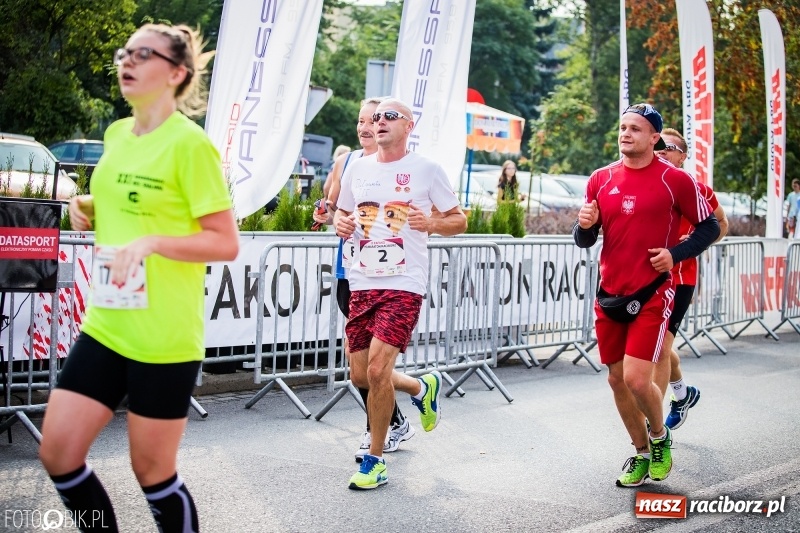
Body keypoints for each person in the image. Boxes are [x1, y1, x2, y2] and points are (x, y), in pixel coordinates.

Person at [39, 23, 239, 532]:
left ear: (176, 73)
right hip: (108, 324)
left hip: (164, 338)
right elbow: (130, 202)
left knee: (152, 472)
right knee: (58, 452)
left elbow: (224, 241)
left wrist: (151, 244)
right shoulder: (116, 134)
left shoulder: (190, 146)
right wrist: (88, 207)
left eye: (143, 53)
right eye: (125, 51)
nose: (127, 60)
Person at [573, 103, 719, 488]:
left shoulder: (676, 180)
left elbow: (710, 227)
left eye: (635, 129)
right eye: (622, 127)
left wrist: (675, 254)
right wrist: (583, 227)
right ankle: (639, 452)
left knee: (638, 379)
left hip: (655, 292)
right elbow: (585, 239)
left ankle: (659, 438)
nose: (626, 134)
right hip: (609, 295)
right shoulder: (601, 178)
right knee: (617, 380)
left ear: (654, 137)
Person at [334, 98, 467, 489]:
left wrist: (432, 223)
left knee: (377, 370)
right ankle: (421, 386)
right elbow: (343, 213)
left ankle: (374, 460)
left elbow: (458, 219)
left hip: (404, 283)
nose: (380, 122)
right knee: (360, 374)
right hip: (362, 281)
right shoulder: (357, 167)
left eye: (390, 116)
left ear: (409, 125)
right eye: (376, 117)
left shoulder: (426, 169)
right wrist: (340, 224)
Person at [312, 97, 414, 463]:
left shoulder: (404, 166)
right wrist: (327, 216)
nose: (366, 126)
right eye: (361, 120)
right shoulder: (348, 162)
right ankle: (413, 395)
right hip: (351, 273)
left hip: (394, 280)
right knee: (360, 371)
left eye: (374, 119)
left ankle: (379, 434)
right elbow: (333, 208)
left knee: (376, 366)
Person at [651, 128, 728, 431]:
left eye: (668, 148)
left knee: (657, 349)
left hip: (680, 279)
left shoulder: (697, 188)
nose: (661, 152)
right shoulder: (645, 184)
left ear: (681, 157)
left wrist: (694, 243)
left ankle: (653, 431)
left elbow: (721, 223)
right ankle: (682, 394)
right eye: (658, 147)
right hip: (646, 279)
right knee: (653, 345)